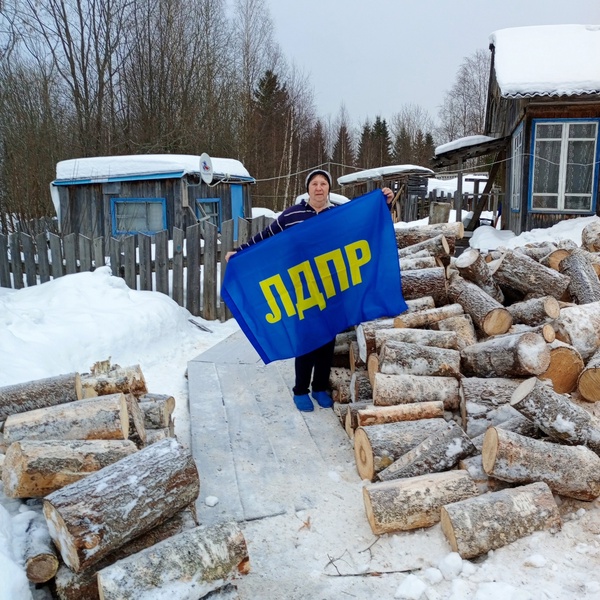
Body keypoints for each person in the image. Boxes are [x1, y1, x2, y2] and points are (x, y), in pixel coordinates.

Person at [225, 169, 394, 412]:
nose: (318, 187)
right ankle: (301, 390)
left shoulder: (337, 215)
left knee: (326, 339)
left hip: (331, 287)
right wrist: (240, 253)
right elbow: (266, 237)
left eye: (323, 183)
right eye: (314, 183)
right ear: (308, 189)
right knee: (305, 339)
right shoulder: (292, 215)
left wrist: (383, 205)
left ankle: (319, 388)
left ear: (328, 189)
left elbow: (364, 225)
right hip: (301, 287)